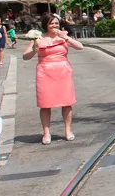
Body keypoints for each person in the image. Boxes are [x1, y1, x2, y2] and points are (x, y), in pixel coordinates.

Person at [22, 13, 83, 144]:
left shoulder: (63, 36)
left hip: (63, 71)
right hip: (45, 72)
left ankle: (68, 130)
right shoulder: (38, 38)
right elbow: (25, 57)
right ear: (46, 25)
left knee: (67, 103)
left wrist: (65, 37)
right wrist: (34, 50)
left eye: (56, 23)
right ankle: (46, 133)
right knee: (45, 104)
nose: (54, 26)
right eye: (51, 23)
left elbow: (80, 47)